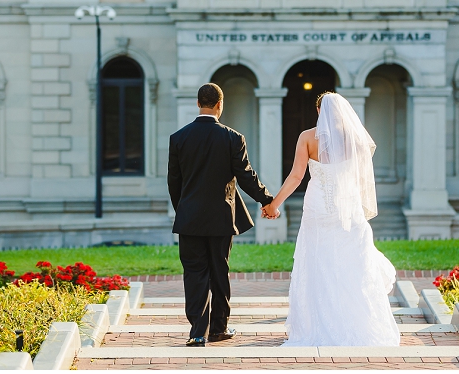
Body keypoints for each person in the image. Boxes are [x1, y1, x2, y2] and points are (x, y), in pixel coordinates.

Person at [263, 91, 401, 347]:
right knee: (351, 264)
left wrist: (273, 204)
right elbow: (361, 180)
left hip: (317, 207)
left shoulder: (307, 137)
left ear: (319, 112)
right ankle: (354, 322)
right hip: (347, 208)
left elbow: (296, 177)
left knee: (318, 261)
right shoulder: (355, 138)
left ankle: (317, 324)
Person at [167, 82, 276, 347]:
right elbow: (246, 176)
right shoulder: (232, 137)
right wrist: (267, 200)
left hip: (189, 219)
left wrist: (183, 209)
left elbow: (173, 182)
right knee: (219, 272)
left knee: (194, 274)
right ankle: (218, 329)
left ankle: (196, 332)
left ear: (198, 103)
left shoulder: (179, 138)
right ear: (220, 104)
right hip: (221, 219)